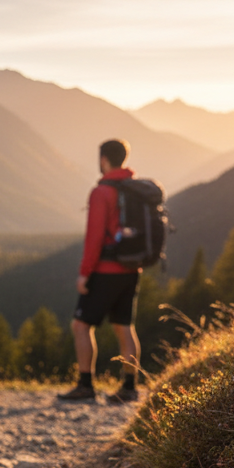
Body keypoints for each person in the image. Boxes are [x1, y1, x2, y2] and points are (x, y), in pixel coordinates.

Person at [58, 139, 141, 403]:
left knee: (81, 325)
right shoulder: (134, 189)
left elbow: (94, 238)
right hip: (131, 269)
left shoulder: (102, 192)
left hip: (106, 270)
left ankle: (85, 385)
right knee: (124, 327)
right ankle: (129, 387)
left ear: (104, 160)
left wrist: (85, 273)